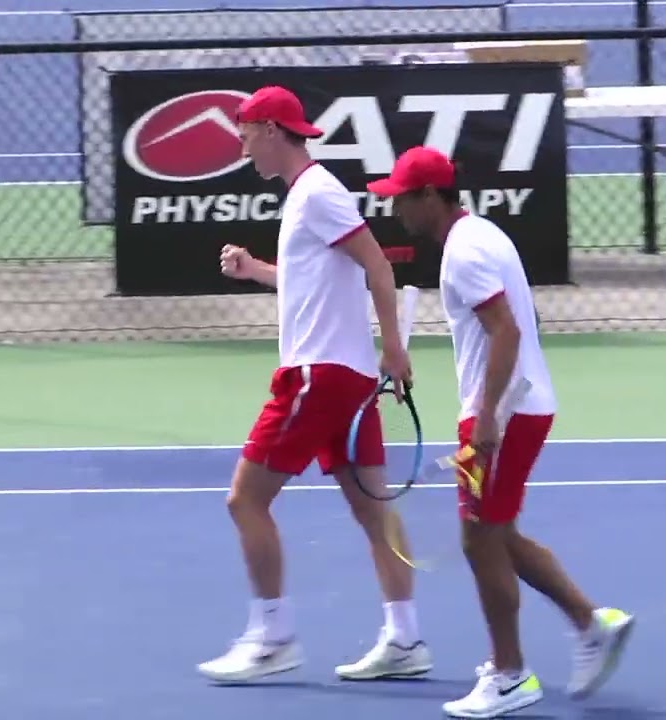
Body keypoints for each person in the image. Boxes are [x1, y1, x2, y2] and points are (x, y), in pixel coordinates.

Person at [367, 146, 635, 718]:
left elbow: (507, 332)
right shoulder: (482, 235)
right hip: (521, 405)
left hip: (504, 413)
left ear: (431, 196)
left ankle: (510, 674)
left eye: (402, 199)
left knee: (478, 539)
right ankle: (592, 624)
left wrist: (486, 415)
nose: (396, 210)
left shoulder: (463, 253)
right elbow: (516, 326)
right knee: (500, 534)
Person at [195, 85, 433, 684]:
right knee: (374, 513)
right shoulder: (307, 196)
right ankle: (405, 639)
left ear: (272, 130)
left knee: (245, 500)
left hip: (317, 377)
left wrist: (395, 350)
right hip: (344, 377)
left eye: (246, 133)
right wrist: (257, 272)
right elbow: (319, 282)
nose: (243, 145)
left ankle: (272, 635)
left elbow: (376, 266)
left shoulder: (317, 194)